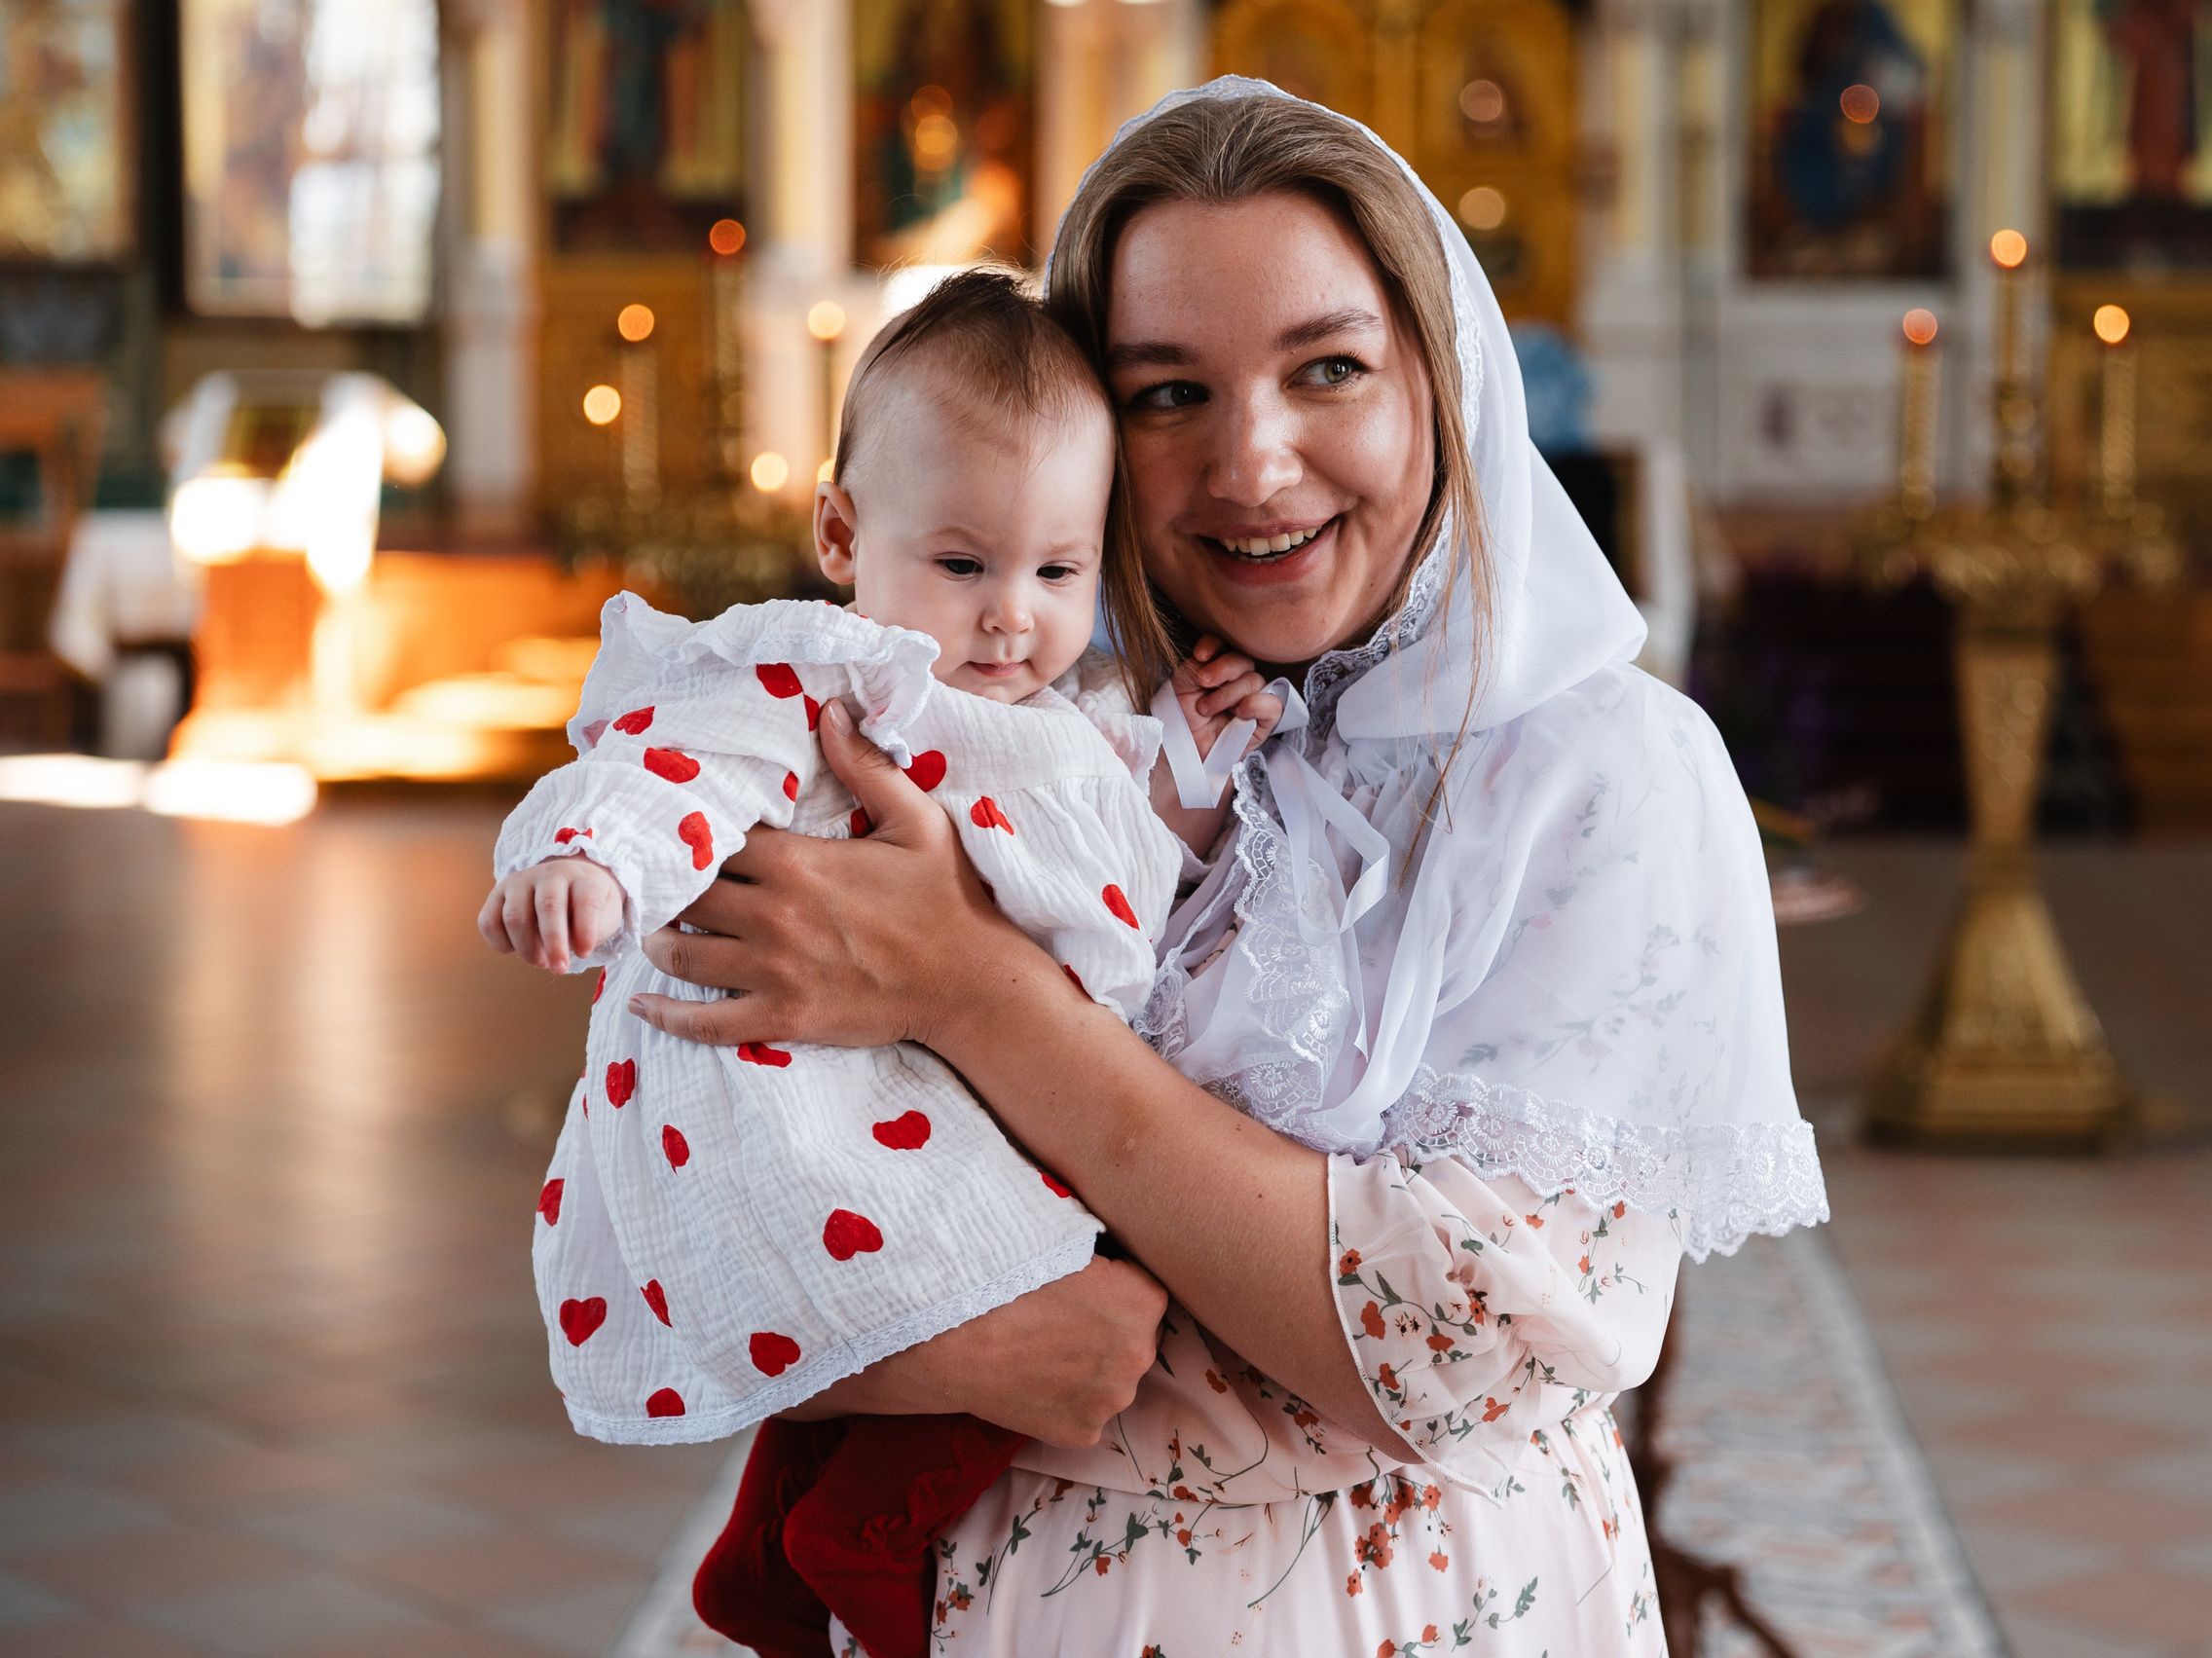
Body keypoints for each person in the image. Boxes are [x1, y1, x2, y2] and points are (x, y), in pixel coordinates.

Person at [628, 81, 1829, 1654]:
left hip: (1419, 1610)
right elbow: (680, 1226)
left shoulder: (1597, 772)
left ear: (1443, 387)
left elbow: (1455, 1350)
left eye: (1328, 368)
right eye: (1166, 392)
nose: (1254, 465)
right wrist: (936, 1357)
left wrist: (981, 994)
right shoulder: (1001, 733)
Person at [478, 271, 1277, 1657]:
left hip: (943, 1081)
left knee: (928, 1305)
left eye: (1058, 570)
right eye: (962, 566)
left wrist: (1194, 781)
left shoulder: (1069, 715)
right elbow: (680, 771)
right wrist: (593, 866)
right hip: (823, 1104)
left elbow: (1120, 872)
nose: (1010, 618)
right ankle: (853, 1535)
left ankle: (775, 1552)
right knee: (993, 1281)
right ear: (844, 533)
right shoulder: (822, 681)